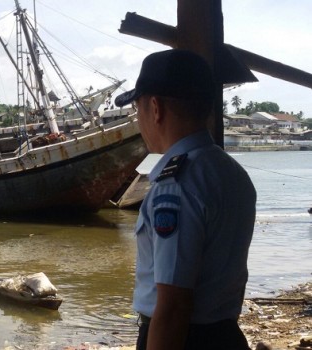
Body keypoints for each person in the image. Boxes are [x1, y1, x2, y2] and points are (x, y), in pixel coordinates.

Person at [114, 49, 256, 350]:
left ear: (155, 109)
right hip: (226, 336)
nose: (139, 121)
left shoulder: (175, 186)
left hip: (187, 340)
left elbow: (174, 306)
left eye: (137, 109)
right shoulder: (232, 173)